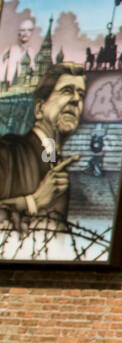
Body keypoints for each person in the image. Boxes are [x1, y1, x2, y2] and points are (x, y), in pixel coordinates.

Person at [0, 63, 86, 227]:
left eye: (81, 94)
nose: (76, 100)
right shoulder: (8, 152)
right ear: (40, 108)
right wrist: (34, 202)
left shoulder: (54, 156)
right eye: (67, 90)